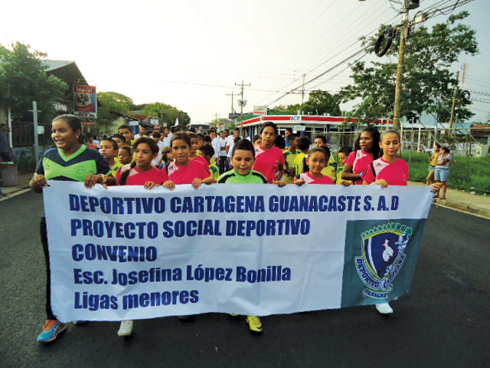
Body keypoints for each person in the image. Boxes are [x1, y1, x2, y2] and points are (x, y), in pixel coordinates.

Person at [30, 114, 115, 343]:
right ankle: (54, 318)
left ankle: (80, 308)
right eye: (54, 130)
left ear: (77, 132)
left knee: (85, 265)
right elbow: (37, 184)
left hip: (85, 224)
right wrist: (35, 183)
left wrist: (99, 178)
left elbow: (113, 180)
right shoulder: (47, 156)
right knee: (55, 269)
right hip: (52, 222)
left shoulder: (93, 155)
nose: (56, 134)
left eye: (62, 130)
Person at [217, 139, 285, 334]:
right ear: (231, 160)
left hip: (254, 237)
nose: (243, 163)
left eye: (247, 159)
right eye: (238, 159)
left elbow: (269, 204)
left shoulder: (261, 179)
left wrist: (281, 189)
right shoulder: (224, 179)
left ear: (254, 160)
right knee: (234, 271)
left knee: (252, 272)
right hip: (231, 236)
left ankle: (251, 311)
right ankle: (237, 304)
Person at [115, 137, 165, 336]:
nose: (140, 155)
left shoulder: (160, 173)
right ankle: (127, 316)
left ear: (154, 155)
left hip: (152, 230)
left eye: (145, 152)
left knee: (150, 267)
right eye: (137, 151)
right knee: (129, 268)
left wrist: (162, 187)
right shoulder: (124, 172)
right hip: (128, 229)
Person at [362, 130, 409, 315]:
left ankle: (383, 294)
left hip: (397, 218)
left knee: (393, 257)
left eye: (395, 142)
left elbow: (405, 191)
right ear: (381, 145)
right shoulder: (374, 165)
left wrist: (429, 191)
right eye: (387, 143)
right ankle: (377, 295)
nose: (392, 146)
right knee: (377, 256)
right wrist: (374, 186)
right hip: (378, 219)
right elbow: (363, 190)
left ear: (399, 144)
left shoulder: (404, 165)